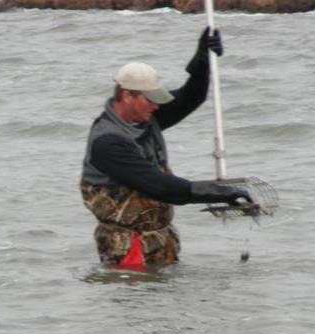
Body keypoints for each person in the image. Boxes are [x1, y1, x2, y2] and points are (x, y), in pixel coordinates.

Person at [80, 27, 254, 269]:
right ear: (128, 96)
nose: (156, 106)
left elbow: (191, 97)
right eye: (150, 100)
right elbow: (161, 187)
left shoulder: (146, 116)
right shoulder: (108, 142)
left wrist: (201, 61)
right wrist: (217, 192)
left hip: (161, 239)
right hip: (127, 247)